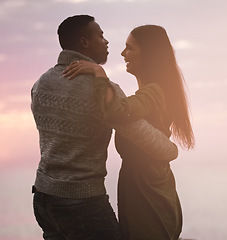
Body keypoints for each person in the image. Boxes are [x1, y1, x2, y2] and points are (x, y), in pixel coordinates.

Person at [31, 16, 179, 240]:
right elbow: (150, 141)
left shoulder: (41, 83)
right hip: (82, 201)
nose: (107, 42)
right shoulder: (102, 90)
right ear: (84, 42)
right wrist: (171, 150)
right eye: (100, 35)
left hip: (43, 198)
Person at [63, 25, 195, 240]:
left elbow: (117, 111)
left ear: (148, 54)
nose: (123, 54)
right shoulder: (153, 92)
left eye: (129, 48)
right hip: (147, 187)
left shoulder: (153, 92)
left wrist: (99, 73)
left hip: (147, 192)